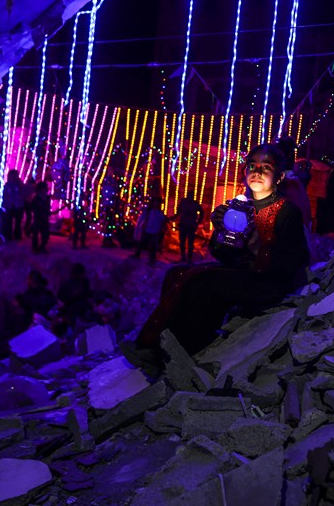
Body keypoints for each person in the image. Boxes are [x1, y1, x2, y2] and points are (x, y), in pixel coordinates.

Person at [127, 143, 310, 364]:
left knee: (203, 283)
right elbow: (224, 254)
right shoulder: (242, 206)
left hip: (269, 280)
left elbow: (290, 261)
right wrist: (222, 231)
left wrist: (251, 249)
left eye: (266, 168)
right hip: (245, 271)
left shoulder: (286, 210)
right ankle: (156, 342)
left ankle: (182, 353)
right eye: (252, 166)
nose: (257, 173)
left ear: (279, 178)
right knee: (177, 273)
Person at [173, 191, 204, 263]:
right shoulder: (184, 203)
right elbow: (178, 212)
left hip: (191, 226)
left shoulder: (194, 204)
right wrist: (174, 217)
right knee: (183, 242)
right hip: (184, 225)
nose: (190, 197)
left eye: (191, 196)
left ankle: (189, 258)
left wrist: (198, 222)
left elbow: (202, 213)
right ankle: (183, 257)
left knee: (190, 243)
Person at [133, 196, 166, 264]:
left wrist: (161, 229)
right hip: (148, 229)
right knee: (141, 242)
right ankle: (137, 254)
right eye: (155, 203)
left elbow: (163, 221)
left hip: (155, 230)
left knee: (153, 246)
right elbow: (145, 218)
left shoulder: (159, 213)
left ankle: (152, 259)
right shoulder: (149, 211)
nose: (155, 204)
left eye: (157, 203)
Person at [1, 169, 24, 240]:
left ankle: (16, 235)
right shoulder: (8, 185)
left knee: (17, 223)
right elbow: (5, 195)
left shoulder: (19, 184)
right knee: (9, 222)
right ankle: (9, 236)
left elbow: (23, 193)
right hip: (10, 206)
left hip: (18, 205)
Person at [31, 181, 52, 253]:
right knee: (36, 234)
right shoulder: (36, 198)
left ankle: (42, 247)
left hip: (45, 218)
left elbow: (48, 207)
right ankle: (35, 248)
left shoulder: (47, 198)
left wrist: (48, 212)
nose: (46, 189)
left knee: (46, 234)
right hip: (38, 218)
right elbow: (33, 207)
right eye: (44, 188)